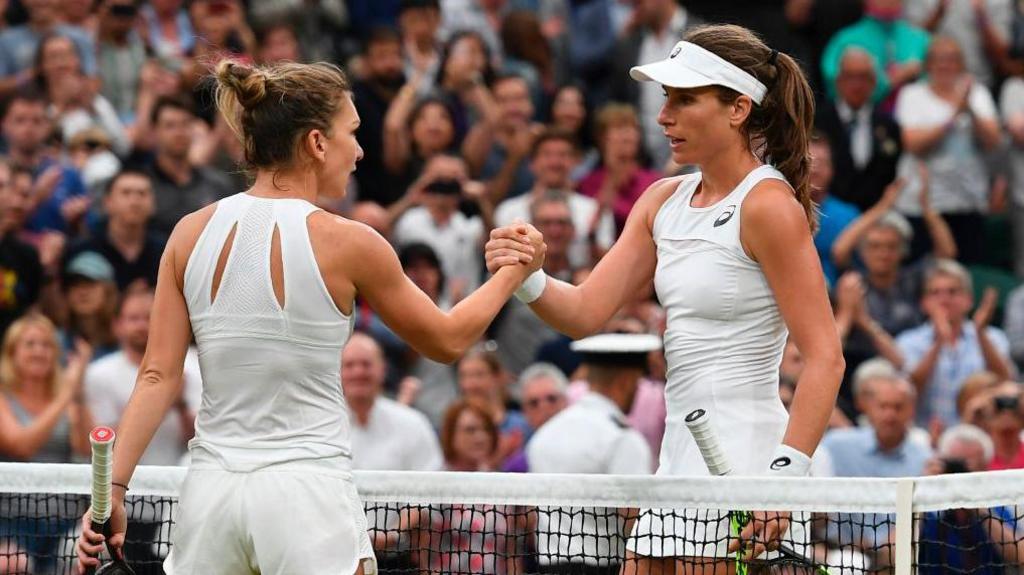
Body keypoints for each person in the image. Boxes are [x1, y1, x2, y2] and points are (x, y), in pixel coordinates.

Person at [76, 59, 544, 574]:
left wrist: (113, 490)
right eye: (353, 133)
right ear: (317, 143)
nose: (360, 150)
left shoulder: (189, 233)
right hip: (307, 501)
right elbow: (448, 339)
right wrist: (513, 271)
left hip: (211, 501)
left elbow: (157, 375)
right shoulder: (351, 242)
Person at [487, 24, 844, 567]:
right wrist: (528, 274)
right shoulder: (661, 200)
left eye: (684, 99)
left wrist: (785, 478)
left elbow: (825, 357)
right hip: (677, 458)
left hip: (747, 463)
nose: (663, 116)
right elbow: (584, 313)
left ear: (738, 108)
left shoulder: (768, 206)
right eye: (665, 99)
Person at [527, 333, 656, 574]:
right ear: (625, 381)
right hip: (604, 568)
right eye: (637, 383)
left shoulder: (543, 436)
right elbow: (636, 522)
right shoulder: (623, 438)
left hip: (548, 568)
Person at [343, 332, 443, 472]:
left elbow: (431, 482)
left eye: (366, 364)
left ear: (383, 369)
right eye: (349, 365)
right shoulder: (323, 425)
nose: (358, 372)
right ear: (337, 371)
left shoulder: (413, 423)